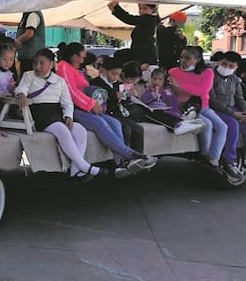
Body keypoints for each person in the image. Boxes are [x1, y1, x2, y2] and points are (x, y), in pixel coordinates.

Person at [55, 42, 155, 175]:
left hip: (85, 106)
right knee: (100, 124)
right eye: (82, 56)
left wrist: (92, 103)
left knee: (115, 123)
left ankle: (120, 163)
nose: (85, 58)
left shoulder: (73, 69)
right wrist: (91, 104)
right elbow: (70, 91)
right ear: (75, 57)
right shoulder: (63, 67)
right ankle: (131, 155)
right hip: (73, 109)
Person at [15, 47, 111, 181]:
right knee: (62, 131)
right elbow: (22, 88)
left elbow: (67, 102)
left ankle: (75, 171)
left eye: (42, 63)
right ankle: (85, 167)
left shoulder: (59, 80)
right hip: (40, 114)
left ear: (52, 64)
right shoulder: (28, 76)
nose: (37, 66)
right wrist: (21, 95)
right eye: (35, 63)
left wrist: (68, 116)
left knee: (80, 130)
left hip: (56, 114)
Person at [167, 46, 234, 179]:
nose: (183, 60)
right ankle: (205, 156)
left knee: (222, 126)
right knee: (207, 124)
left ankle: (214, 159)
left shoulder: (207, 72)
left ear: (196, 59)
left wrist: (181, 86)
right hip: (184, 107)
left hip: (203, 106)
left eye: (187, 58)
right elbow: (170, 91)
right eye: (182, 57)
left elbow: (202, 91)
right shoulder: (173, 72)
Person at [209, 51, 246, 179]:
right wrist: (234, 113)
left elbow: (239, 98)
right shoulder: (210, 76)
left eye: (231, 66)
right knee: (232, 123)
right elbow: (213, 101)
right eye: (224, 64)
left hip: (232, 108)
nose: (227, 67)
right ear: (219, 62)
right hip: (215, 109)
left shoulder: (235, 79)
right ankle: (229, 161)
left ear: (236, 68)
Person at [88, 57, 145, 154]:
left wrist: (127, 96)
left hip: (118, 113)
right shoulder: (96, 83)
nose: (115, 77)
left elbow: (123, 102)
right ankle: (125, 157)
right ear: (104, 71)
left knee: (138, 129)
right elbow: (100, 102)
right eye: (113, 74)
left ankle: (138, 156)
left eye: (117, 74)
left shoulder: (117, 84)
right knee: (126, 130)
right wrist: (115, 97)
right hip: (106, 114)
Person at [138, 68, 205, 135]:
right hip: (154, 110)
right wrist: (152, 95)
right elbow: (143, 100)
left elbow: (173, 104)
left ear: (164, 81)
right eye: (154, 79)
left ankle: (185, 121)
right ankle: (180, 123)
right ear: (151, 79)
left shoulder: (167, 91)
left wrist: (165, 96)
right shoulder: (149, 90)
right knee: (161, 113)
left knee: (170, 112)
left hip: (167, 110)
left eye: (160, 79)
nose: (157, 81)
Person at [107, 1, 159, 67]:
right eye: (140, 8)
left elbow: (129, 19)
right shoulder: (145, 20)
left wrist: (116, 8)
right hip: (138, 53)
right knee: (119, 55)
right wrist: (115, 9)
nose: (142, 11)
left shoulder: (149, 19)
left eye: (145, 8)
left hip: (145, 55)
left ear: (153, 9)